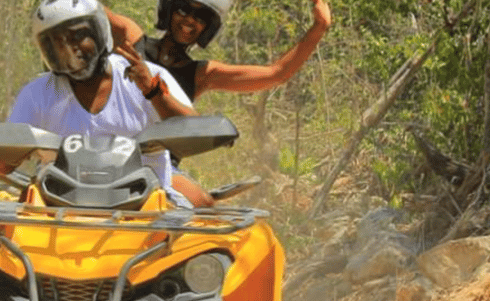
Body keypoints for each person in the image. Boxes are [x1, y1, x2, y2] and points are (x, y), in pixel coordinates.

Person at [105, 0, 332, 206]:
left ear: (208, 28)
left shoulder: (202, 74)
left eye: (201, 17)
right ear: (169, 10)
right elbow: (86, 11)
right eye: (184, 9)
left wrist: (319, 27)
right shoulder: (132, 39)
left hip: (158, 162)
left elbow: (276, 74)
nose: (190, 20)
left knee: (204, 205)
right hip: (103, 147)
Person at [0, 0, 199, 206]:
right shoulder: (37, 93)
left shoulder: (149, 77)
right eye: (57, 43)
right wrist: (3, 154)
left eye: (79, 36)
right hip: (58, 211)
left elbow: (196, 132)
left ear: (100, 31)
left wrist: (154, 93)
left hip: (148, 208)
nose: (71, 50)